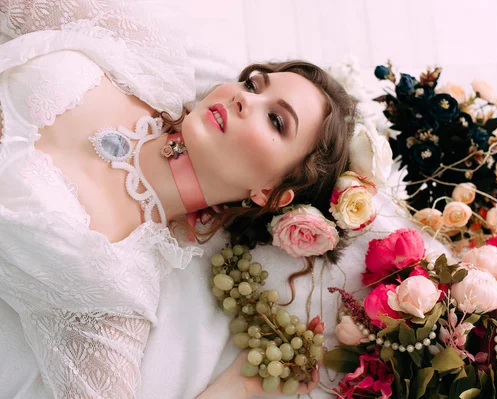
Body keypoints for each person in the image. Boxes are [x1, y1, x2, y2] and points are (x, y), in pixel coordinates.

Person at [0, 1, 356, 398]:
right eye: (254, 85)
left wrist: (241, 386)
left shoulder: (112, 283)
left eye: (276, 120)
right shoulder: (145, 56)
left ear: (270, 195)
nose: (244, 98)